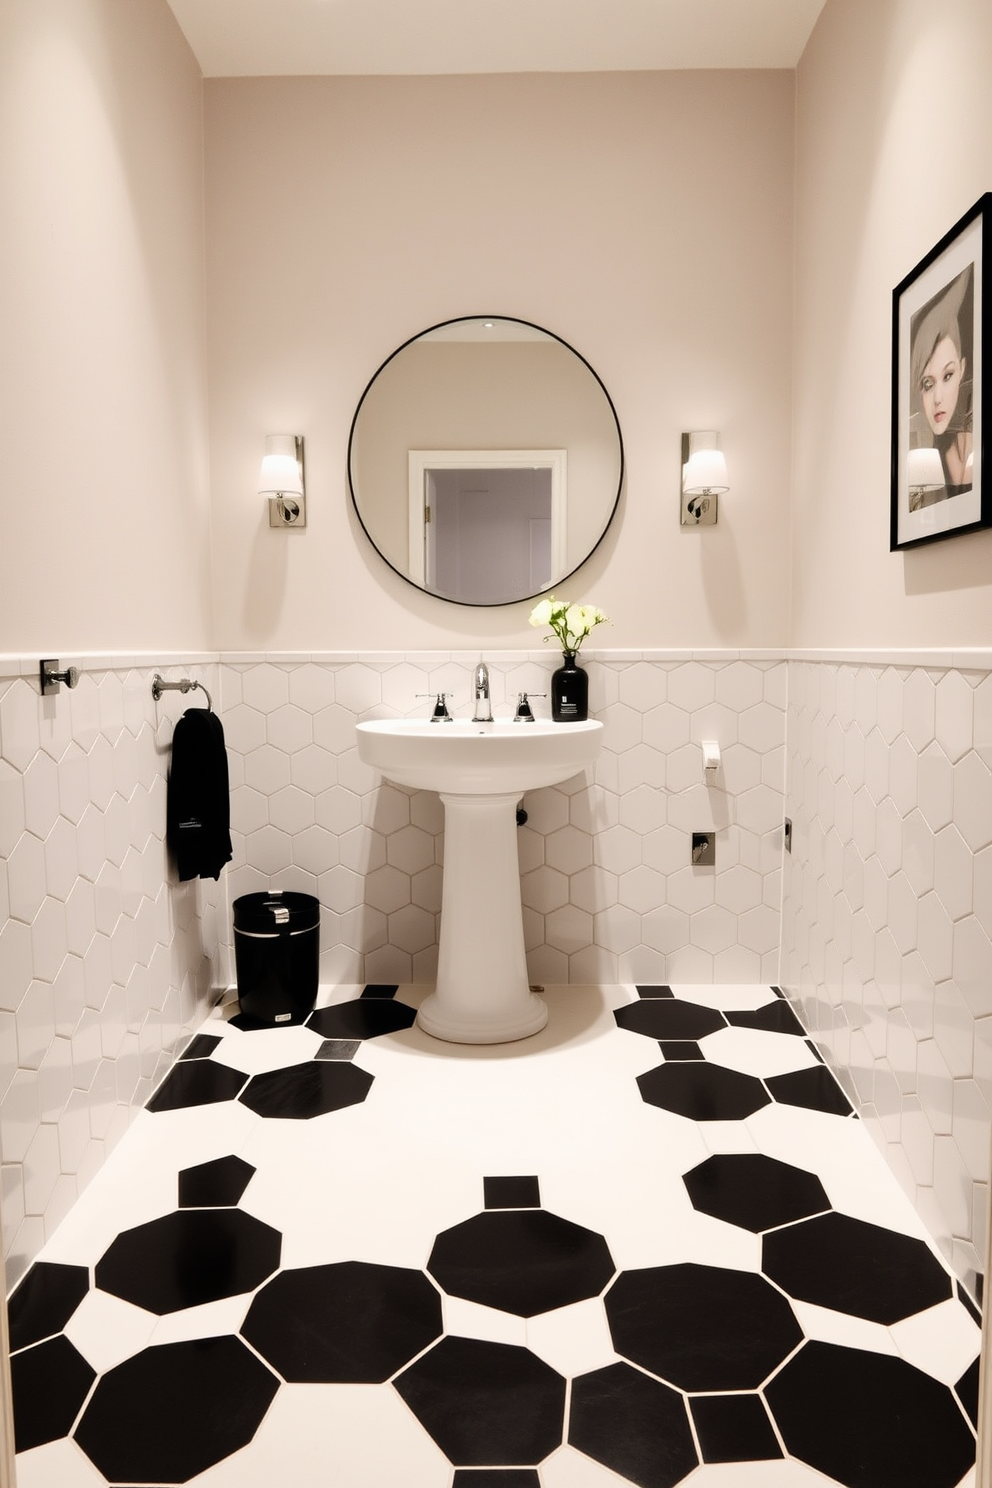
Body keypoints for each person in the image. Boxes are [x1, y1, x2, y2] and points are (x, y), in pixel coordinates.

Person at [908, 266, 974, 504]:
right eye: (928, 383)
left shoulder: (972, 453)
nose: (937, 398)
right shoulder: (935, 458)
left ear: (963, 369)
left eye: (947, 375)